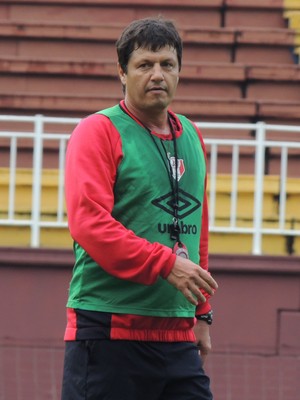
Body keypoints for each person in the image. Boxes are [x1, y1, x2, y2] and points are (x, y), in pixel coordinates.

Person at [61, 17, 218, 400]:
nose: (157, 75)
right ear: (122, 72)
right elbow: (90, 224)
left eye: (167, 64)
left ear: (180, 71)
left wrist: (201, 313)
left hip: (177, 335)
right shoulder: (97, 131)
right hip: (109, 331)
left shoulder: (192, 135)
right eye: (144, 65)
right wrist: (165, 264)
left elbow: (197, 227)